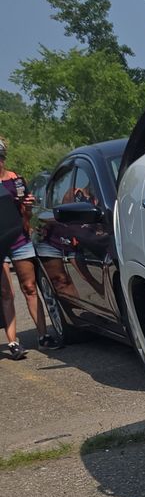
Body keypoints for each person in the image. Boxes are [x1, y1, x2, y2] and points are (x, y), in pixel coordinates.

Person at [0, 137, 60, 358]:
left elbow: (26, 215)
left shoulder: (16, 181)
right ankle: (13, 342)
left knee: (30, 287)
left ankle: (43, 336)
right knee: (7, 292)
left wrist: (26, 206)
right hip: (0, 245)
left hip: (19, 240)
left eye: (0, 158)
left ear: (3, 159)